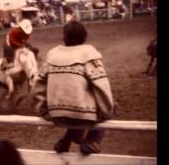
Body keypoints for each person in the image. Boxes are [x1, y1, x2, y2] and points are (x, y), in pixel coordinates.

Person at [32, 20, 116, 155]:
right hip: (81, 117)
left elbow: (37, 86)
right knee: (110, 106)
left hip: (56, 116)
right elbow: (102, 88)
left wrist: (44, 111)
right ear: (84, 37)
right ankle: (92, 141)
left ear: (64, 38)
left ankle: (65, 141)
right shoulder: (90, 57)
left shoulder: (52, 56)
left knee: (73, 106)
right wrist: (106, 112)